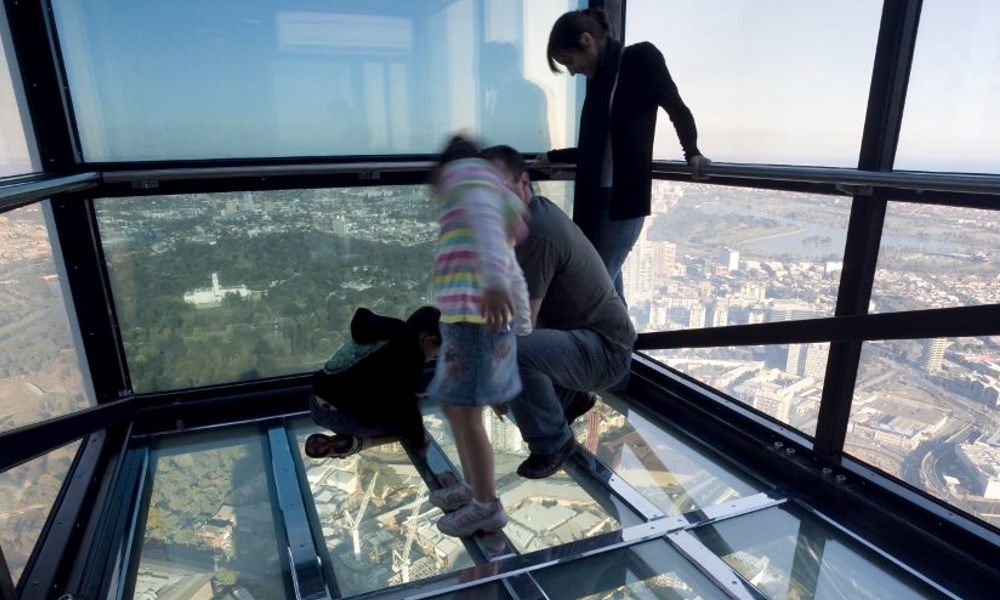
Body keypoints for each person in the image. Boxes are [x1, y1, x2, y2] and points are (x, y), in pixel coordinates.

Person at [481, 144, 636, 479]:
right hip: (588, 340)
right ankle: (572, 398)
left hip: (606, 353)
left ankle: (553, 442)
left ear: (523, 181)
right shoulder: (536, 213)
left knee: (512, 353)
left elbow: (523, 327)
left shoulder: (538, 233)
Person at [537, 8, 711, 303]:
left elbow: (676, 108)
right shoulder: (599, 84)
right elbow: (598, 147)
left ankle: (610, 347)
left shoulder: (640, 59)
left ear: (587, 40)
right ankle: (621, 345)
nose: (572, 71)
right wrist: (554, 158)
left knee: (593, 287)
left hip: (623, 204)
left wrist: (692, 153)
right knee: (607, 288)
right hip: (595, 200)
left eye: (569, 60)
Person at [426, 134, 530, 537]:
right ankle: (474, 487)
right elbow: (512, 265)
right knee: (457, 409)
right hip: (468, 321)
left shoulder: (468, 182)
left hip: (474, 322)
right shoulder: (479, 191)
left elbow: (490, 235)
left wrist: (492, 285)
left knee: (464, 413)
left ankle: (487, 505)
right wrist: (521, 322)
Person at [305, 306, 441, 459]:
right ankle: (357, 444)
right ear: (429, 340)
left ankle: (349, 437)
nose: (432, 358)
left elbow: (372, 377)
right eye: (436, 353)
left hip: (314, 404)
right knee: (403, 428)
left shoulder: (388, 329)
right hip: (341, 419)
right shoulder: (411, 354)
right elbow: (407, 409)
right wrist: (419, 441)